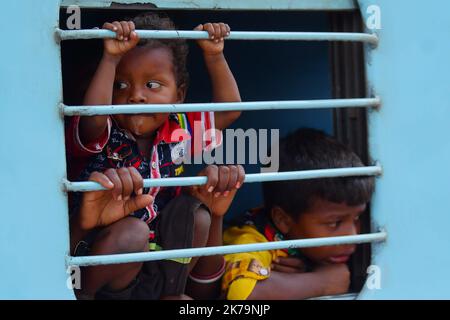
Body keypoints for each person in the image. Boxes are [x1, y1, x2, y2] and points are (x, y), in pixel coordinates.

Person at [67, 11, 242, 299]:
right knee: (133, 232)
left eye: (152, 85)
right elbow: (93, 117)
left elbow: (229, 111)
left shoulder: (178, 129)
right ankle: (81, 296)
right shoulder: (103, 129)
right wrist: (110, 58)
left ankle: (168, 291)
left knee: (195, 215)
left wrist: (214, 56)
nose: (136, 96)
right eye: (120, 85)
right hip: (104, 256)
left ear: (179, 96)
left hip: (154, 260)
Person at [220, 128, 375, 300]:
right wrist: (322, 282)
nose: (352, 236)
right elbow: (243, 295)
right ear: (283, 220)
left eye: (356, 218)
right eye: (334, 223)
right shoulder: (250, 240)